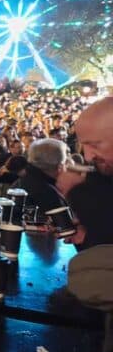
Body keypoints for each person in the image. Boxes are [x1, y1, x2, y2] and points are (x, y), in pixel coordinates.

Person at [56, 96, 113, 249]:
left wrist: (75, 191)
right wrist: (85, 230)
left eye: (94, 145)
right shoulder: (101, 172)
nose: (87, 156)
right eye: (83, 145)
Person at [13, 138, 68, 220]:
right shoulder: (46, 192)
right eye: (64, 163)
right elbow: (63, 225)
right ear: (58, 165)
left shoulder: (24, 180)